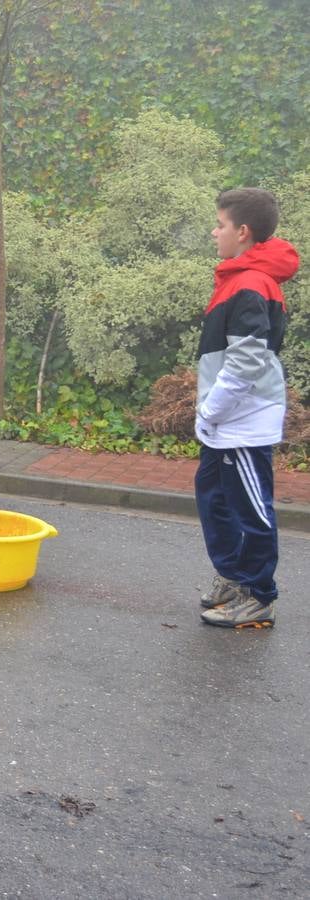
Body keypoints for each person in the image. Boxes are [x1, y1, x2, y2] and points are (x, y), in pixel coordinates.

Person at [195, 188, 298, 629]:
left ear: (242, 231)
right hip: (223, 422)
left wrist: (210, 410)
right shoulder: (238, 277)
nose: (213, 231)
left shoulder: (252, 284)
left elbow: (246, 360)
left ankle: (258, 594)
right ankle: (235, 578)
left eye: (219, 224)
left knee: (250, 510)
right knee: (215, 500)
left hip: (242, 421)